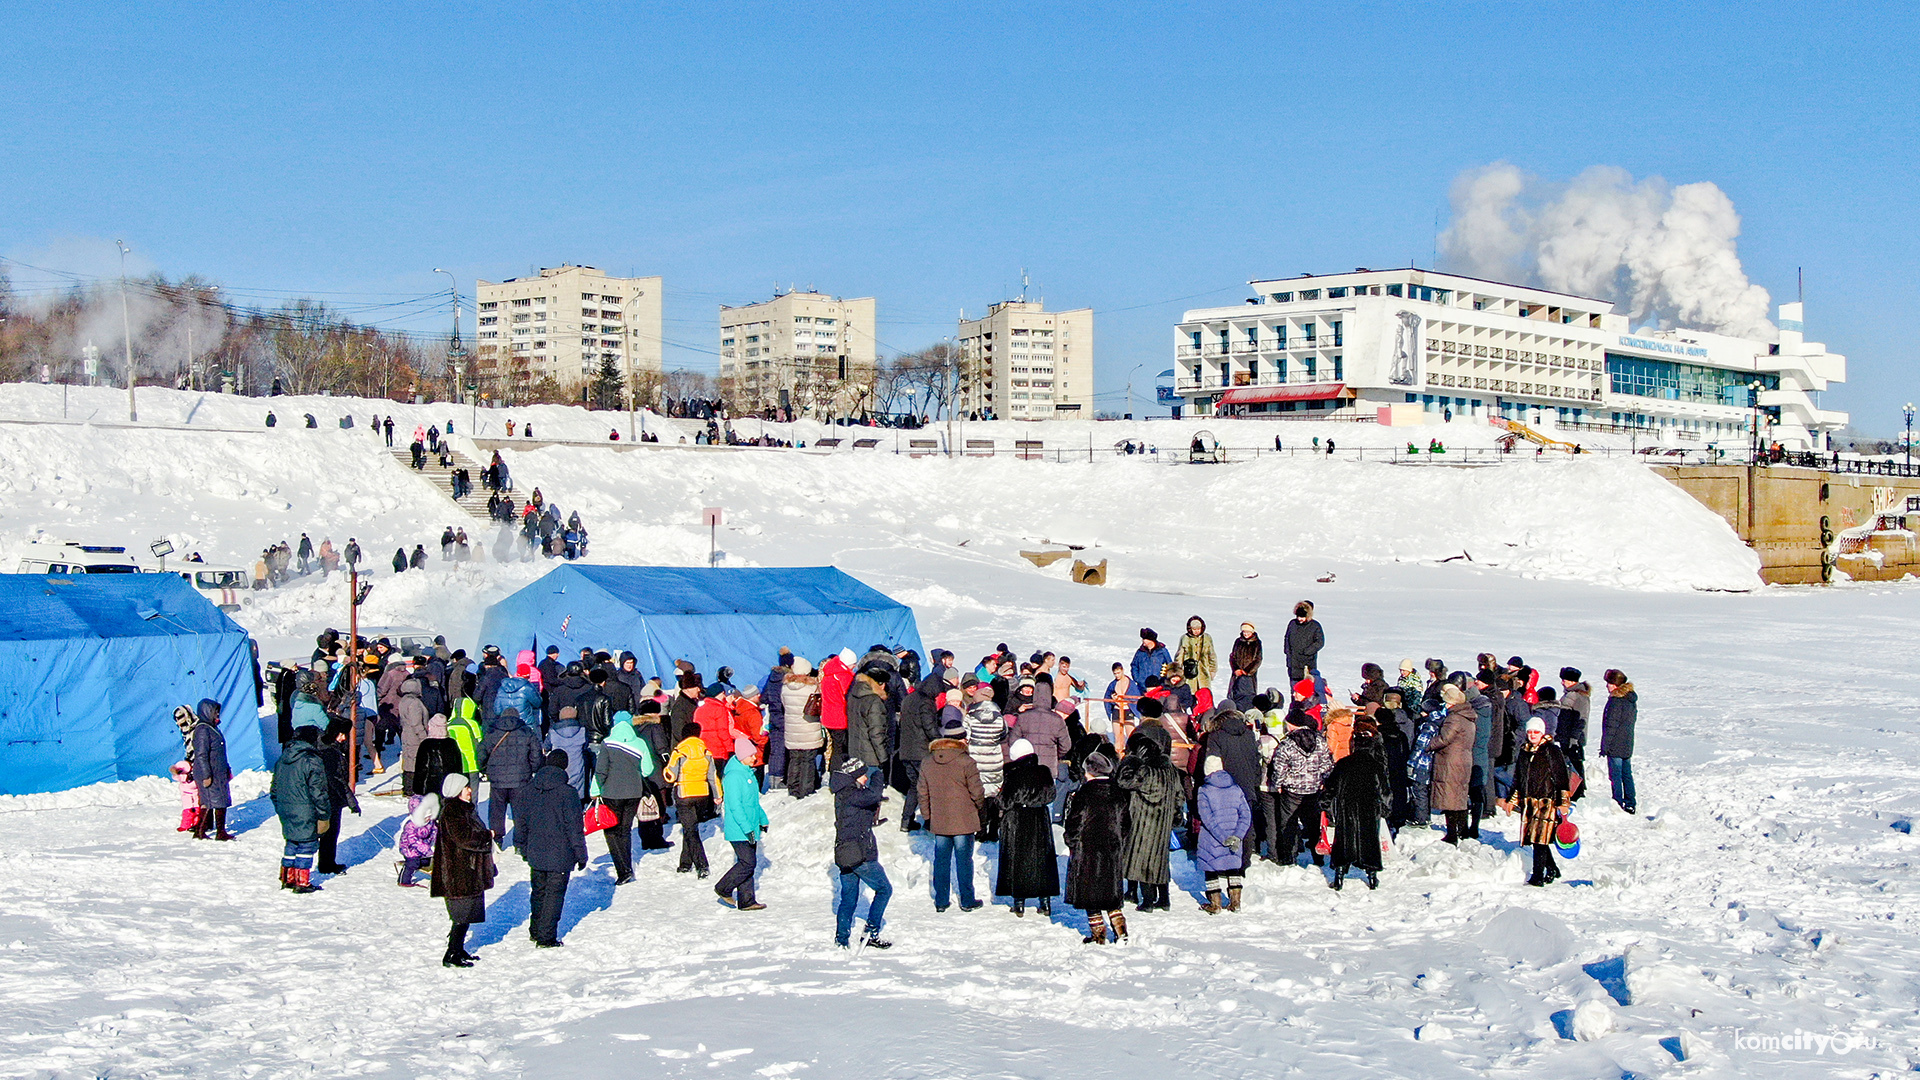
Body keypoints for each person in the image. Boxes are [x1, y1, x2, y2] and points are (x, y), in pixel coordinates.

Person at [514, 750, 589, 948]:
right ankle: (546, 937)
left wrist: (520, 845)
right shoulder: (568, 792)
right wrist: (581, 854)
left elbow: (520, 821)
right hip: (560, 853)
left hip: (536, 851)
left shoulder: (529, 789)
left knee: (538, 891)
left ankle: (536, 929)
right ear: (564, 767)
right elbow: (574, 827)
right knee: (554, 894)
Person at [918, 715, 985, 912]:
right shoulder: (966, 762)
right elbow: (977, 792)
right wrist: (977, 808)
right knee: (964, 861)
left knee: (941, 861)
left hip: (939, 819)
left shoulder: (928, 761)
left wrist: (928, 816)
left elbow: (922, 792)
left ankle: (941, 901)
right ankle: (967, 900)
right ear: (961, 739)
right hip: (964, 819)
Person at [1063, 749, 1130, 944]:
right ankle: (1120, 930)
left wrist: (1071, 841)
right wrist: (1118, 840)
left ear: (1091, 771)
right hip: (1111, 849)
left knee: (1090, 893)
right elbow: (1125, 823)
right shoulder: (1117, 792)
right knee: (1110, 893)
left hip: (1088, 850)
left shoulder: (1085, 793)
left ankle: (1098, 933)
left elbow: (1075, 821)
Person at [432, 774, 498, 967]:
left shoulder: (462, 809)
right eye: (466, 788)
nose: (470, 790)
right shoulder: (454, 812)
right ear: (457, 791)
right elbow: (465, 838)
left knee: (465, 915)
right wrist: (487, 836)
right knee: (461, 917)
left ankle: (459, 950)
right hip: (458, 873)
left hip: (466, 871)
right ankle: (451, 954)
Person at [830, 756, 892, 949]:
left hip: (845, 853)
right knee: (884, 889)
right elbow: (873, 795)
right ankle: (870, 933)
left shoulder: (843, 793)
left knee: (848, 898)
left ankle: (841, 940)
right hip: (859, 854)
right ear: (854, 776)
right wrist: (878, 773)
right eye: (863, 775)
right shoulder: (851, 794)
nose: (865, 778)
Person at [1501, 718, 1571, 886]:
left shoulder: (1551, 751)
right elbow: (1519, 778)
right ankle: (1552, 868)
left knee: (1540, 840)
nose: (1533, 735)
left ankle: (1538, 876)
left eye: (1536, 732)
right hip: (1529, 802)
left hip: (1547, 802)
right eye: (1530, 732)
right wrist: (1512, 800)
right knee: (1535, 839)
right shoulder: (1524, 751)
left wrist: (1563, 802)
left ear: (1542, 733)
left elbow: (1562, 777)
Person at [1114, 730, 1179, 911]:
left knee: (1141, 862)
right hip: (1163, 822)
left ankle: (1148, 901)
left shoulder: (1146, 772)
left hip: (1144, 822)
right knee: (1160, 861)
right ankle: (1164, 900)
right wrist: (1176, 814)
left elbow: (1123, 781)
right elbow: (1179, 794)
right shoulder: (1170, 770)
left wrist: (1128, 761)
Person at [1325, 718, 1391, 890]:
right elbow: (1384, 790)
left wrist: (1324, 803)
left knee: (1344, 840)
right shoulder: (1375, 765)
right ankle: (1372, 876)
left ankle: (1339, 876)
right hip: (1369, 807)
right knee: (1369, 840)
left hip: (1346, 807)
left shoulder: (1343, 764)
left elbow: (1331, 786)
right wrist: (1386, 808)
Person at [592, 712, 656, 885]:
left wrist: (596, 789)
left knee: (611, 831)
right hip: (634, 792)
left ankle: (623, 870)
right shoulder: (640, 743)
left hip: (611, 792)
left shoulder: (607, 743)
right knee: (625, 830)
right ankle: (627, 866)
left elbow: (601, 771)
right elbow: (648, 769)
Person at [996, 738, 1058, 917]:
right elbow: (1051, 795)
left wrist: (997, 799)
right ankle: (1045, 903)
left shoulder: (1013, 774)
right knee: (1042, 859)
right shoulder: (1044, 772)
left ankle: (1019, 903)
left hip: (1017, 819)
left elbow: (1005, 801)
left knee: (1018, 859)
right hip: (1039, 818)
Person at [270, 725, 331, 893]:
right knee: (307, 844)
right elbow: (318, 791)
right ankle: (301, 882)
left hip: (286, 808)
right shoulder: (311, 759)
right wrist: (324, 814)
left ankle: (287, 877)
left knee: (292, 843)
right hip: (306, 809)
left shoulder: (283, 757)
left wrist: (280, 807)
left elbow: (274, 789)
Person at [1268, 708, 1333, 865]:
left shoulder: (1287, 743)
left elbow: (1279, 768)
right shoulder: (1319, 741)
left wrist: (1278, 784)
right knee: (1313, 825)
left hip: (1292, 791)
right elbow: (1327, 765)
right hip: (1314, 790)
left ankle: (1288, 858)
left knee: (1288, 824)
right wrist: (1322, 781)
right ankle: (1318, 858)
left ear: (1292, 725)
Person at [716, 736, 769, 910]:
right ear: (741, 756)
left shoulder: (748, 773)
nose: (755, 758)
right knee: (748, 863)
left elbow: (754, 802)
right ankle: (723, 888)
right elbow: (735, 806)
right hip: (740, 830)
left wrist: (762, 820)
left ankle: (747, 900)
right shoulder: (733, 777)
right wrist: (747, 828)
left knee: (747, 862)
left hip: (751, 827)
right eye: (751, 755)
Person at [1196, 755, 1253, 913]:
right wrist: (1237, 836)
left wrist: (1223, 838)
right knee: (1233, 867)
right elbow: (1246, 815)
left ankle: (1215, 904)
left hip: (1212, 838)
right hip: (1234, 836)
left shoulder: (1204, 790)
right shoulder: (1236, 788)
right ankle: (1235, 903)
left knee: (1211, 869)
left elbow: (1206, 818)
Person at [479, 707, 543, 846]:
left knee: (496, 811)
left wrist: (485, 769)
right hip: (521, 778)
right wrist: (532, 769)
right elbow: (536, 754)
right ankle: (520, 843)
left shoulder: (492, 732)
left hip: (497, 780)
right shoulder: (526, 731)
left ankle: (497, 839)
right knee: (520, 811)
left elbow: (481, 753)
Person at [665, 720, 716, 877]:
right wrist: (718, 795)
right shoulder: (706, 751)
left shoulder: (679, 751)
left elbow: (671, 776)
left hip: (684, 793)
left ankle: (702, 865)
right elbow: (713, 776)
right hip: (702, 794)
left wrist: (666, 769)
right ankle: (685, 863)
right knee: (691, 828)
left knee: (691, 830)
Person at [1430, 683, 1478, 844]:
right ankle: (1463, 830)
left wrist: (1429, 744)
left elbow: (1444, 739)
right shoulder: (1468, 717)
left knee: (1448, 796)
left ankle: (1452, 834)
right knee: (1460, 795)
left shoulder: (1454, 718)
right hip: (1463, 760)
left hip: (1450, 761)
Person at [316, 718, 363, 874]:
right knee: (330, 833)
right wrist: (351, 801)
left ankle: (327, 862)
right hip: (330, 797)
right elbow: (337, 780)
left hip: (327, 796)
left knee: (328, 833)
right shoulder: (330, 752)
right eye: (342, 734)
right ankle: (326, 864)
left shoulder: (326, 747)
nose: (344, 738)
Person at [189, 699, 235, 841]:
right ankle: (201, 831)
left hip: (218, 771)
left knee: (220, 801)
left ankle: (219, 831)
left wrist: (226, 769)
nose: (217, 715)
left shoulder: (212, 728)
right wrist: (206, 775)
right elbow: (201, 755)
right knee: (210, 801)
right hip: (209, 772)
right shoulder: (203, 730)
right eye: (215, 712)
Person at [781, 658, 824, 799]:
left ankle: (793, 788)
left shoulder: (785, 687)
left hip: (792, 730)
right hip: (809, 729)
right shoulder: (812, 688)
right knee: (808, 760)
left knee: (794, 759)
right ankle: (806, 790)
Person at [1600, 668, 1637, 814]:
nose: (1607, 686)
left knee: (1615, 775)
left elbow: (1611, 725)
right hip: (1627, 743)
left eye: (1608, 683)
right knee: (1626, 774)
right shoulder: (1630, 699)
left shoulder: (1616, 701)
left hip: (1616, 744)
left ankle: (1617, 802)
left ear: (1614, 684)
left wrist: (1605, 746)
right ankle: (1630, 802)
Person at [1556, 668, 1592, 801]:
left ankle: (1579, 790)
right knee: (1570, 763)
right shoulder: (1571, 694)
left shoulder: (1578, 696)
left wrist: (1574, 738)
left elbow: (1581, 719)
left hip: (1573, 738)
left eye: (1564, 680)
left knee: (1575, 763)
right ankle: (1575, 789)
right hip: (1566, 736)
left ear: (1571, 681)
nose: (1562, 682)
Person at [1282, 601, 1324, 683]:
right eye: (1298, 616)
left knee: (1307, 688)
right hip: (1293, 663)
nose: (1299, 619)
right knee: (1294, 689)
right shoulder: (1292, 624)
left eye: (1302, 617)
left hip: (1308, 663)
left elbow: (1320, 642)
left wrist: (1308, 651)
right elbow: (1287, 638)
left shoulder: (1315, 626)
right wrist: (1287, 651)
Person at [1174, 616, 1217, 693]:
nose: (1196, 631)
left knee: (1204, 695)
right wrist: (1179, 671)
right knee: (1190, 694)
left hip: (1203, 672)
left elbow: (1212, 655)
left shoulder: (1207, 638)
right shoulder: (1185, 638)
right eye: (1194, 629)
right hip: (1189, 673)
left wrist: (1212, 670)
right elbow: (1179, 656)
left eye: (1198, 629)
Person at [1129, 630, 1172, 701]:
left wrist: (1163, 680)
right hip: (1142, 688)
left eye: (1144, 639)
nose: (1143, 641)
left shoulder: (1162, 651)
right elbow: (1134, 666)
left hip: (1158, 688)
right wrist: (1138, 679)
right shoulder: (1140, 652)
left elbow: (1170, 666)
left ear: (1150, 640)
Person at [1227, 623, 1262, 710]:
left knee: (1249, 696)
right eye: (1244, 632)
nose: (1246, 634)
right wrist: (1236, 669)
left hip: (1249, 676)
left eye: (1248, 632)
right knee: (1235, 694)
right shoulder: (1238, 642)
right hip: (1237, 674)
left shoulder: (1257, 643)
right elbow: (1232, 657)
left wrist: (1247, 671)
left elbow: (1258, 659)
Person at [172, 760, 200, 833]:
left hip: (194, 796)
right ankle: (189, 825)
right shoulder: (190, 776)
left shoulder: (186, 777)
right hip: (189, 797)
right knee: (191, 812)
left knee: (194, 811)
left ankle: (191, 825)